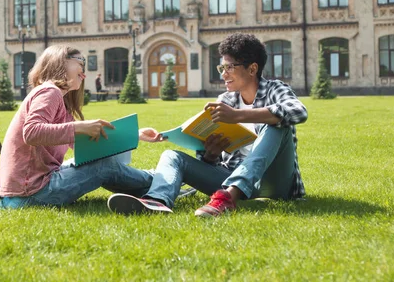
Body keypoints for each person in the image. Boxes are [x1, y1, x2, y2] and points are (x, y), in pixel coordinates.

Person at [107, 33, 308, 217]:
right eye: (222, 68)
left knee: (275, 123)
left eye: (229, 67)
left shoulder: (275, 89)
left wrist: (237, 116)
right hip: (231, 176)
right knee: (171, 156)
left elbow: (298, 111)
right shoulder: (225, 100)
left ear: (252, 69)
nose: (223, 74)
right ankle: (156, 202)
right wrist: (211, 155)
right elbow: (212, 161)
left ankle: (228, 198)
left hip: (274, 181)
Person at [0, 45, 164, 210]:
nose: (84, 73)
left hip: (27, 189)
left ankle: (151, 187)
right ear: (60, 62)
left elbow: (85, 147)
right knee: (103, 166)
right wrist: (78, 127)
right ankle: (161, 182)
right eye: (80, 63)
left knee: (100, 162)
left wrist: (134, 135)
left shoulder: (59, 102)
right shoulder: (50, 91)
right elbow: (32, 132)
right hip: (29, 192)